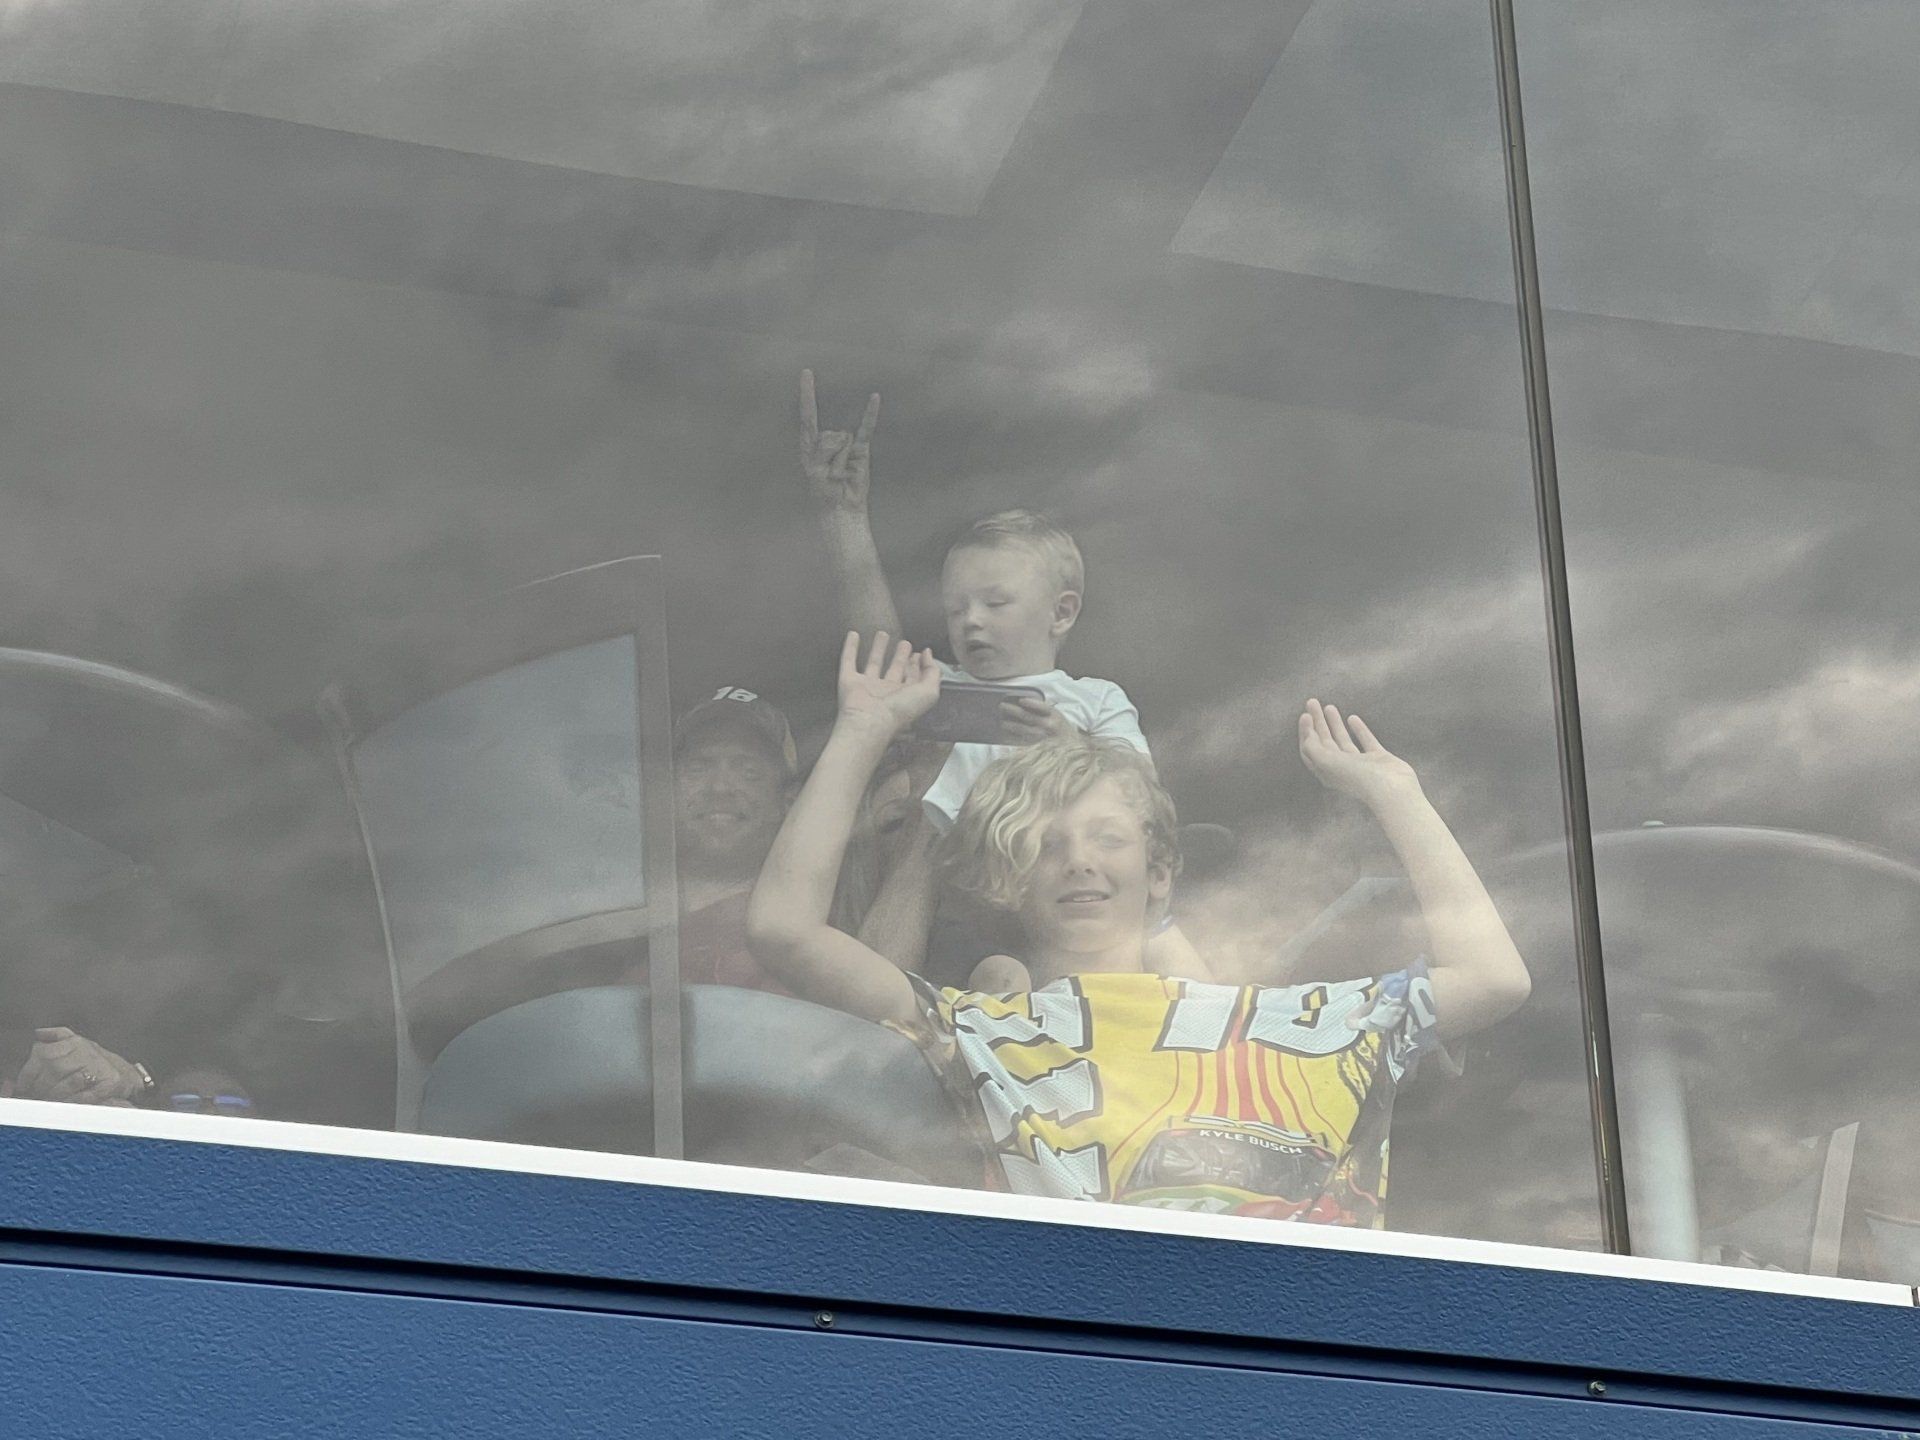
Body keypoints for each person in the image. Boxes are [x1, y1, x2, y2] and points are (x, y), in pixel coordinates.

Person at [747, 633, 1533, 1225]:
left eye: (1108, 838)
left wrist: (1395, 792)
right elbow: (784, 931)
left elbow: (1495, 979)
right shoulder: (983, 1031)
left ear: (1160, 872)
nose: (1078, 862)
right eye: (1045, 845)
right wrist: (861, 729)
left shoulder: (1280, 1027)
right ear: (1010, 880)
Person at [796, 371, 1206, 981]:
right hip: (959, 900)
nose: (972, 622)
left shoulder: (1094, 700)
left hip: (1061, 900)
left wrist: (1072, 749)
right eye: (957, 608)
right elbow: (881, 661)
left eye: (995, 603)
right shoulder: (947, 690)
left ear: (1061, 612)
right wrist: (846, 520)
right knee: (969, 975)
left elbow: (1142, 799)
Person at [671, 685, 803, 995]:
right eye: (699, 767)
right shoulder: (622, 915)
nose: (720, 787)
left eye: (749, 771)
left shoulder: (812, 926)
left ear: (786, 801)